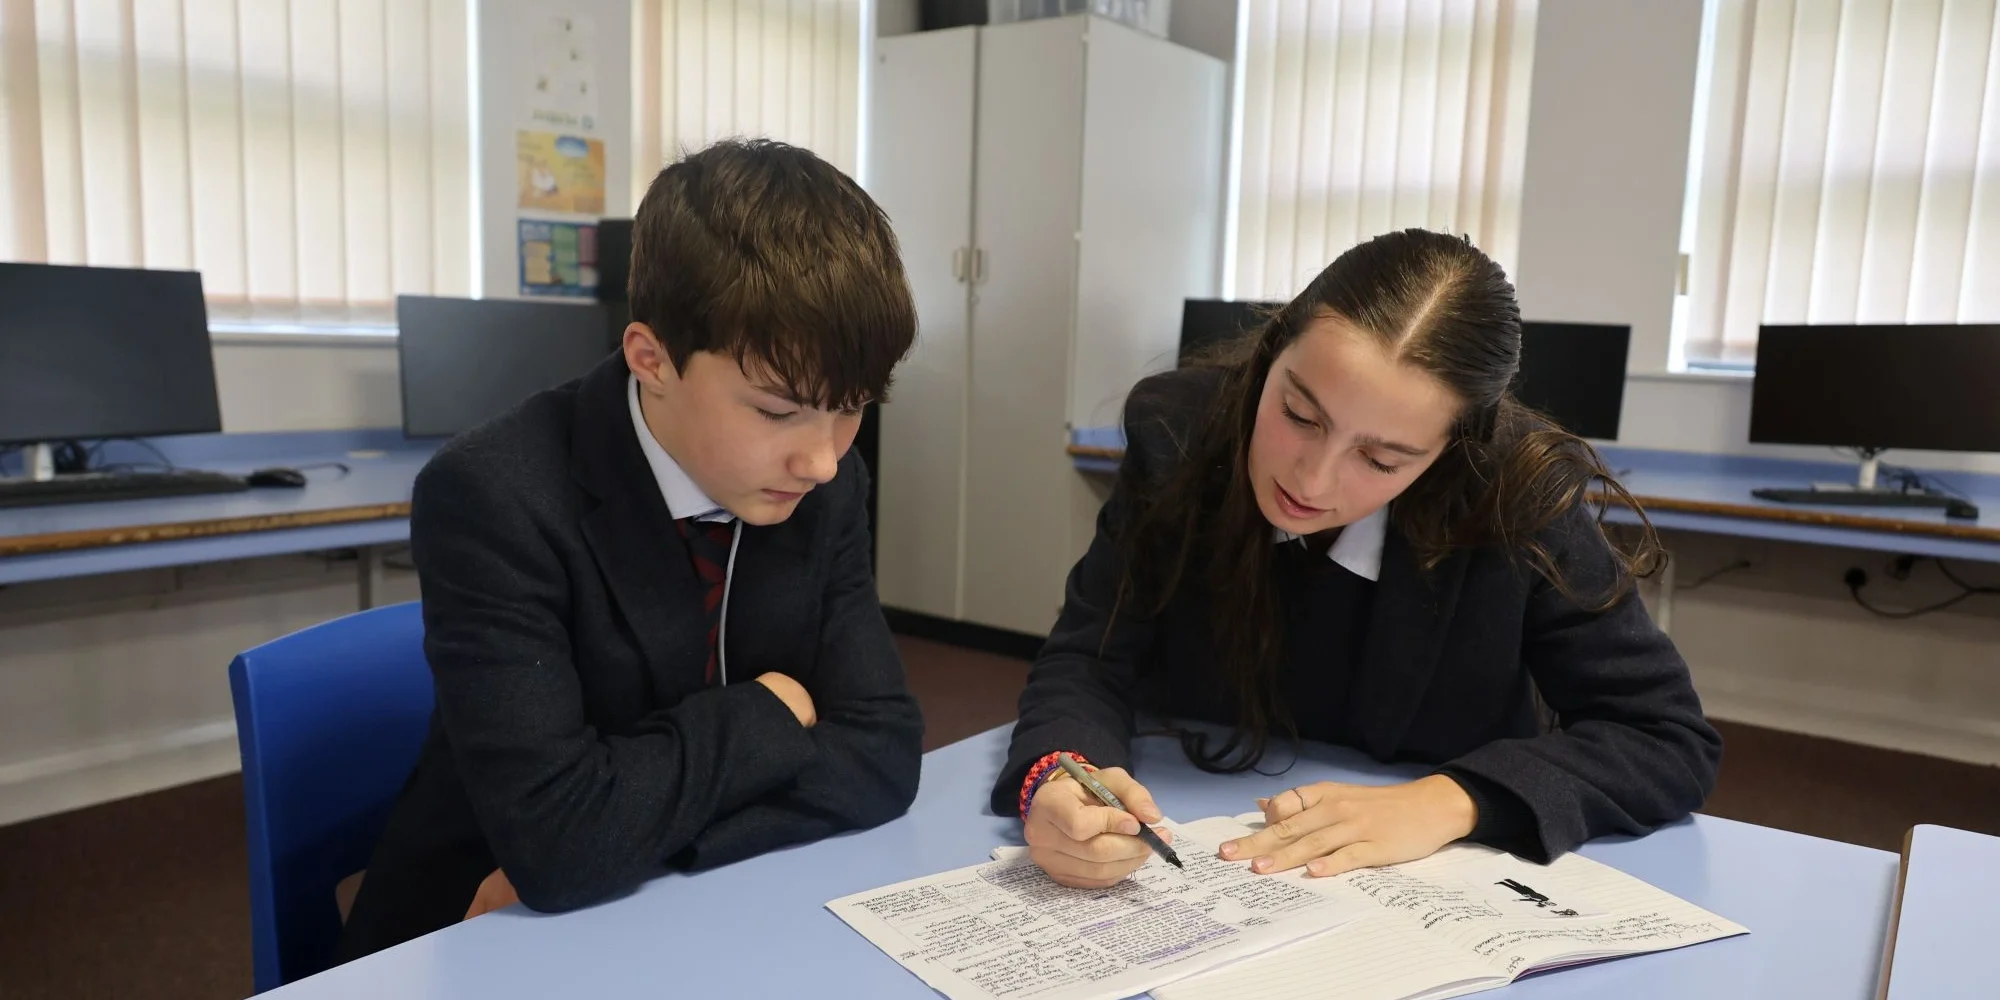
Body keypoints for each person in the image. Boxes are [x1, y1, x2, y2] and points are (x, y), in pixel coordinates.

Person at [339, 138, 924, 959]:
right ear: (651, 359)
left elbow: (885, 754)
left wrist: (631, 838)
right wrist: (772, 712)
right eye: (777, 410)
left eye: (853, 408)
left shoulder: (826, 483)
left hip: (693, 908)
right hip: (487, 930)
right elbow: (554, 840)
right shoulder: (495, 495)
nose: (822, 458)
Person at [995, 228, 1722, 889]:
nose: (1310, 481)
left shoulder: (1517, 496)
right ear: (1274, 353)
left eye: (1381, 458)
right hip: (1200, 845)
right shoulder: (1179, 436)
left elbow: (1664, 737)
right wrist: (1062, 775)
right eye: (1300, 415)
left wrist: (1452, 801)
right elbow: (1088, 657)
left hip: (1433, 886)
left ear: (1448, 453)